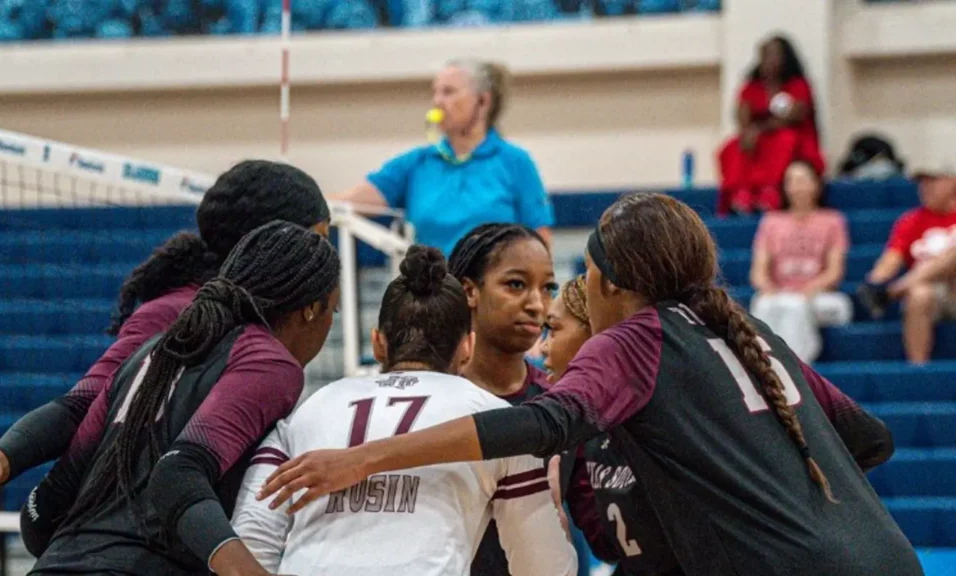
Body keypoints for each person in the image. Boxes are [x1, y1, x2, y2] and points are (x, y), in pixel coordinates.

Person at [261, 193, 919, 576]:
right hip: (888, 558)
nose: (550, 308)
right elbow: (871, 438)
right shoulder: (745, 330)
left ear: (607, 285)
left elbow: (544, 423)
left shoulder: (636, 338)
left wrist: (363, 458)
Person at [0, 160, 331, 543]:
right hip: (116, 536)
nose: (326, 258)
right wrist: (2, 459)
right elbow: (82, 400)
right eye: (320, 238)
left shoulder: (263, 332)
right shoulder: (177, 312)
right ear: (270, 242)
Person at [17, 220, 340, 576]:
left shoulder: (150, 352)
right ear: (311, 310)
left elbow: (41, 514)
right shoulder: (270, 363)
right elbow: (176, 473)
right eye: (333, 312)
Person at [231, 246, 576, 576]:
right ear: (467, 347)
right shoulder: (499, 422)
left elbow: (252, 536)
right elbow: (545, 568)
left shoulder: (312, 407)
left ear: (378, 343)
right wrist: (554, 511)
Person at [331, 59, 554, 256]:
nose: (437, 101)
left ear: (483, 101)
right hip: (435, 296)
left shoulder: (515, 162)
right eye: (435, 92)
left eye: (448, 92)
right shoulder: (416, 163)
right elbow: (350, 202)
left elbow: (541, 241)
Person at [541, 276, 683, 576]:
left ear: (594, 335)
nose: (543, 347)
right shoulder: (581, 433)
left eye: (553, 330)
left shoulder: (662, 414)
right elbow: (607, 547)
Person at [446, 223, 558, 575]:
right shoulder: (433, 397)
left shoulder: (561, 403)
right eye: (516, 285)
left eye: (548, 287)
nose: (537, 304)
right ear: (469, 291)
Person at [749, 160, 852, 362]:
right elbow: (758, 271)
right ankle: (768, 366)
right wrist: (769, 287)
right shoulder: (771, 221)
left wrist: (809, 289)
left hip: (819, 296)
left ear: (816, 184)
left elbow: (835, 271)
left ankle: (797, 367)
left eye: (803, 180)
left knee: (795, 307)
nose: (797, 186)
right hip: (782, 294)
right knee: (765, 305)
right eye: (791, 181)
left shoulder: (832, 220)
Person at [859, 160, 956, 363]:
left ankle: (901, 287)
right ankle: (918, 370)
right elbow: (892, 258)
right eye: (922, 182)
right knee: (920, 294)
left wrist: (897, 287)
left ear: (952, 182)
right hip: (930, 292)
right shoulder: (911, 220)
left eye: (933, 181)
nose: (925, 188)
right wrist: (875, 281)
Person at [717, 35, 824, 216]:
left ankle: (771, 192)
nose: (770, 60)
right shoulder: (752, 86)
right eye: (765, 55)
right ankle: (741, 194)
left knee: (785, 140)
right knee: (732, 147)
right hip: (759, 137)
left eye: (775, 55)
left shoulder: (797, 84)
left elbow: (794, 115)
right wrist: (748, 131)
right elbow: (742, 114)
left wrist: (760, 128)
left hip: (792, 135)